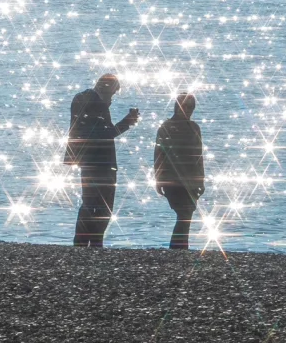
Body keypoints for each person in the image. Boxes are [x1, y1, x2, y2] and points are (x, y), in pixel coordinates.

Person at [64, 73, 139, 248]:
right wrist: (127, 122)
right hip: (102, 162)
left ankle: (82, 243)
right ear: (107, 90)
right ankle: (94, 242)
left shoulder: (82, 99)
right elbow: (104, 135)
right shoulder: (95, 104)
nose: (112, 100)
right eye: (112, 95)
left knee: (89, 203)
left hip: (87, 161)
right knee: (103, 206)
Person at [152, 93, 205, 251]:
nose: (188, 110)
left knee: (186, 216)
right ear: (177, 107)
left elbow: (198, 156)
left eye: (191, 107)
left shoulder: (194, 128)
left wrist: (201, 180)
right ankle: (177, 250)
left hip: (191, 180)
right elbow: (158, 155)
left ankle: (180, 249)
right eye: (185, 106)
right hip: (172, 180)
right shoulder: (166, 127)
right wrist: (158, 180)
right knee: (184, 214)